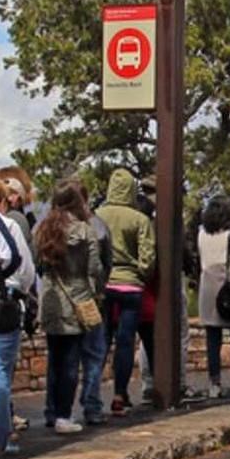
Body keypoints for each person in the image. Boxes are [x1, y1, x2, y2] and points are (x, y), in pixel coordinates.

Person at [36, 180, 104, 434]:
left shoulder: (43, 230)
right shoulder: (85, 231)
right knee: (71, 361)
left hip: (52, 298)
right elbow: (94, 269)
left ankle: (51, 411)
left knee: (55, 359)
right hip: (77, 299)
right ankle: (65, 414)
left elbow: (37, 264)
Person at [0, 179, 34, 452]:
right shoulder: (9, 226)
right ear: (3, 201)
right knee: (1, 369)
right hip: (6, 301)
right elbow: (25, 269)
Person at [95, 169, 155, 416]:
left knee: (101, 341)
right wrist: (141, 274)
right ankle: (120, 394)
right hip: (130, 285)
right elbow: (148, 258)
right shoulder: (139, 219)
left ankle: (93, 396)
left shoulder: (98, 215)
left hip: (105, 284)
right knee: (125, 342)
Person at [75, 182, 113, 426]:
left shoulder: (48, 226)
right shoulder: (97, 227)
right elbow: (103, 264)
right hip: (90, 298)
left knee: (63, 357)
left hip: (60, 300)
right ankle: (91, 404)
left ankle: (55, 411)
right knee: (94, 353)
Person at [196, 195, 230, 400]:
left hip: (207, 288)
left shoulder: (201, 234)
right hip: (228, 290)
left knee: (212, 340)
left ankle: (214, 383)